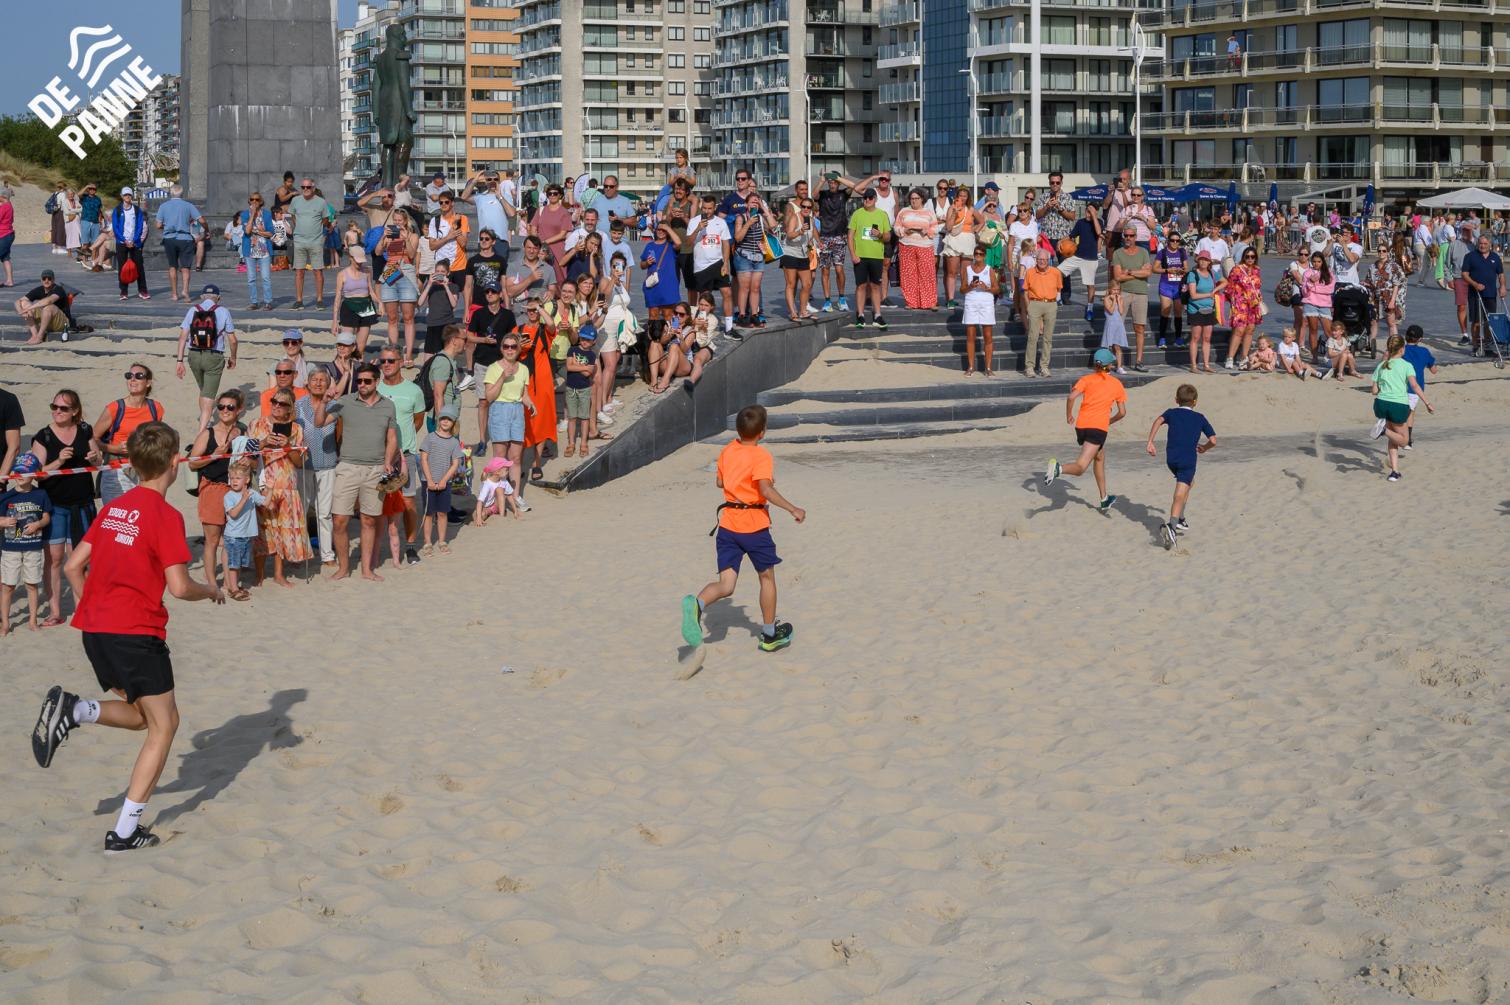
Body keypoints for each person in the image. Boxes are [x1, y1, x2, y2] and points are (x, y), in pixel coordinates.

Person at [31, 421, 225, 853]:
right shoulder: (166, 516)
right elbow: (179, 587)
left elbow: (73, 566)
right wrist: (210, 590)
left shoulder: (114, 508)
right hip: (134, 632)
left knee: (143, 717)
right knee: (166, 725)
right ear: (174, 462)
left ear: (133, 464)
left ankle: (76, 710)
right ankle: (124, 832)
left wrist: (94, 609)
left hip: (95, 631)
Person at [679, 404, 806, 654]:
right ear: (762, 431)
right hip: (754, 527)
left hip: (728, 526)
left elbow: (720, 482)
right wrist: (793, 509)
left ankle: (697, 604)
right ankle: (769, 635)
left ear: (738, 430)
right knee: (766, 577)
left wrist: (739, 481)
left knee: (726, 585)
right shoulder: (761, 456)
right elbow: (765, 490)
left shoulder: (727, 450)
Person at [313, 363, 400, 581]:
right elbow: (319, 423)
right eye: (359, 380)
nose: (362, 384)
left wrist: (388, 462)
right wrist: (324, 402)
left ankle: (366, 570)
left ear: (376, 381)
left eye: (367, 381)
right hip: (348, 468)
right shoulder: (345, 401)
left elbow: (391, 438)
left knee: (369, 520)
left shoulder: (388, 406)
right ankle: (343, 568)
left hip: (375, 469)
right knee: (339, 520)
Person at [27, 389, 97, 625]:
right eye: (54, 407)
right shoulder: (43, 436)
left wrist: (94, 458)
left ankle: (82, 609)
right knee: (54, 559)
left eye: (63, 408)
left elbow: (98, 460)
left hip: (82, 503)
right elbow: (37, 474)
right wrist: (59, 461)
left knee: (78, 559)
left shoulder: (85, 429)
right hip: (54, 505)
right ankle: (55, 612)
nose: (57, 411)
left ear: (74, 411)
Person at [1043, 348, 1126, 514]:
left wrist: (1069, 415)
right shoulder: (1116, 384)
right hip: (1098, 428)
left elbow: (1071, 397)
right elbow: (1122, 413)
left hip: (1082, 427)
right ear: (1110, 366)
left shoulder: (1086, 379)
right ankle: (1058, 468)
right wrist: (1109, 421)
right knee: (1080, 467)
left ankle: (1104, 498)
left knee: (1099, 457)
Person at [186, 389, 246, 592]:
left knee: (231, 539)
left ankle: (231, 584)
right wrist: (214, 455)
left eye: (230, 407)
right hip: (212, 488)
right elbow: (192, 463)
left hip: (235, 491)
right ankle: (212, 583)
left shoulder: (242, 432)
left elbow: (252, 459)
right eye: (221, 406)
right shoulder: (208, 433)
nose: (225, 410)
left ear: (239, 410)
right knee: (212, 540)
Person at [1145, 383, 1216, 550]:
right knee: (1179, 494)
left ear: (1176, 400)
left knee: (1190, 483)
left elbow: (1158, 420)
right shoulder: (1200, 418)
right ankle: (1172, 525)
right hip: (1187, 461)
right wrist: (1205, 448)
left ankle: (1181, 518)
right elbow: (1213, 440)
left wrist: (1150, 442)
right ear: (1195, 402)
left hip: (1171, 460)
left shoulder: (1171, 413)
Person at [375, 347, 426, 559]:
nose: (386, 364)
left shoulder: (414, 390)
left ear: (401, 362)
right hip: (378, 454)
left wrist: (401, 443)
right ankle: (378, 547)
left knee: (408, 502)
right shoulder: (374, 387)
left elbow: (418, 420)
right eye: (383, 361)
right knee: (377, 501)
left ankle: (410, 545)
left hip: (406, 454)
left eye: (391, 360)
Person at [91, 365, 166, 506]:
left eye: (139, 376)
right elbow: (93, 438)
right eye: (129, 376)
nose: (133, 379)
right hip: (117, 471)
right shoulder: (115, 408)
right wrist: (114, 449)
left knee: (141, 515)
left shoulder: (156, 408)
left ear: (148, 382)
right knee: (118, 514)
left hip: (145, 471)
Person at [0, 453, 52, 634]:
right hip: (10, 548)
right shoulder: (6, 496)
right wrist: (3, 522)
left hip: (33, 547)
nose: (20, 476)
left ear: (35, 474)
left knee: (31, 584)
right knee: (8, 586)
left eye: (25, 472)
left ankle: (32, 620)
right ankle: (5, 624)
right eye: (17, 472)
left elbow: (46, 517)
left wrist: (38, 524)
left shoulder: (40, 494)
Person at [174, 284, 237, 432]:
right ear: (218, 298)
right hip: (214, 357)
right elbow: (233, 340)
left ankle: (204, 417)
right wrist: (233, 358)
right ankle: (201, 433)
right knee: (208, 396)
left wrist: (179, 361)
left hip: (194, 355)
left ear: (202, 297)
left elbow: (182, 337)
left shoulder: (193, 310)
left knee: (204, 391)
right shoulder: (223, 311)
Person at [1370, 334, 1433, 482]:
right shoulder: (1406, 365)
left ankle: (1394, 471)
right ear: (1402, 349)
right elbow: (1415, 386)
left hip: (1380, 404)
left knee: (1393, 438)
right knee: (1404, 441)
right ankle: (1383, 430)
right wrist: (1427, 403)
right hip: (1397, 405)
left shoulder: (1381, 365)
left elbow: (1374, 390)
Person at [484, 332, 537, 500]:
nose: (509, 350)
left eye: (513, 346)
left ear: (518, 349)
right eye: (506, 346)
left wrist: (530, 404)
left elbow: (524, 394)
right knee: (499, 458)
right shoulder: (493, 368)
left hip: (517, 411)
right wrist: (502, 377)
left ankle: (515, 496)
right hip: (499, 410)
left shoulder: (524, 369)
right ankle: (496, 496)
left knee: (515, 458)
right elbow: (489, 397)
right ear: (501, 349)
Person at [418, 405, 465, 555]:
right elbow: (423, 459)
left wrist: (444, 480)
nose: (445, 421)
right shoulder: (430, 438)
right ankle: (427, 542)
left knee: (442, 513)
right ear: (438, 420)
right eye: (443, 418)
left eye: (449, 419)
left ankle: (442, 541)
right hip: (428, 482)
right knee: (429, 513)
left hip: (445, 483)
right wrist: (430, 480)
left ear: (454, 423)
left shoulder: (454, 442)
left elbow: (455, 464)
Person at [687, 194, 735, 334]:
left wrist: (725, 263)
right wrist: (698, 229)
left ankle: (729, 328)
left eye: (710, 208)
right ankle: (702, 327)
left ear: (715, 208)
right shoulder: (694, 221)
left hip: (718, 263)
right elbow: (688, 243)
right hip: (701, 266)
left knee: (727, 292)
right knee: (704, 298)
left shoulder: (721, 222)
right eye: (704, 208)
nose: (707, 211)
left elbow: (725, 243)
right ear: (701, 207)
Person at [1110, 226, 1153, 372]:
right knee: (1117, 326)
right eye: (1126, 235)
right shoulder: (1118, 253)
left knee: (1139, 327)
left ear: (1136, 237)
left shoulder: (1143, 252)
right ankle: (1117, 361)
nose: (1128, 238)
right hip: (1123, 293)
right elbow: (1117, 276)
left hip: (1141, 293)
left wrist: (1128, 271)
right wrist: (1138, 273)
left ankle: (1139, 361)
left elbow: (1148, 272)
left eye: (1131, 235)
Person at [731, 193, 778, 330]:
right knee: (744, 287)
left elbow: (773, 226)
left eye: (757, 203)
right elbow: (738, 238)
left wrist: (764, 209)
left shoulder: (761, 218)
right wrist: (748, 223)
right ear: (746, 204)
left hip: (758, 256)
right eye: (752, 202)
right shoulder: (741, 217)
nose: (754, 204)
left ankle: (754, 314)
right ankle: (742, 315)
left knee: (755, 287)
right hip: (743, 257)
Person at [220, 462, 265, 601]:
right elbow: (233, 514)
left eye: (238, 478)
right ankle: (233, 589)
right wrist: (244, 499)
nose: (234, 481)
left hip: (246, 536)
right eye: (232, 478)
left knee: (239, 564)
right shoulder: (229, 496)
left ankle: (234, 586)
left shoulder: (251, 493)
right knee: (234, 564)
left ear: (247, 479)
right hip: (233, 536)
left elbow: (265, 503)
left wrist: (270, 490)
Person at [816, 173, 861, 312]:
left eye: (834, 182)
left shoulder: (843, 194)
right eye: (830, 182)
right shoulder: (823, 194)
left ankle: (841, 298)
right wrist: (821, 181)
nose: (832, 184)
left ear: (838, 183)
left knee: (839, 269)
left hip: (840, 237)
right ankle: (827, 301)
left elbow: (854, 186)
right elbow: (813, 195)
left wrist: (837, 178)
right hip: (825, 236)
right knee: (825, 270)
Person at [847, 188, 892, 330]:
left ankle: (877, 315)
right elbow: (850, 236)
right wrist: (853, 254)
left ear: (875, 199)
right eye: (865, 197)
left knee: (875, 286)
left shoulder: (882, 215)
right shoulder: (857, 214)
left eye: (870, 198)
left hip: (876, 256)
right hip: (860, 256)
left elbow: (888, 237)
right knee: (861, 285)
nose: (867, 200)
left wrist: (879, 235)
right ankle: (860, 315)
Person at [153, 186, 205, 303]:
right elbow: (201, 220)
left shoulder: (163, 206)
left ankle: (174, 294)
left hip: (169, 238)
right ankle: (185, 291)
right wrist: (206, 228)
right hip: (185, 238)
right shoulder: (188, 205)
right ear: (182, 194)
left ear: (170, 193)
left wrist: (167, 226)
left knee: (172, 266)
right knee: (186, 268)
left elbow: (158, 225)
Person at [289, 178, 333, 309]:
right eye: (303, 187)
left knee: (318, 271)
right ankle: (299, 301)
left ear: (313, 188)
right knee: (299, 271)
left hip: (316, 240)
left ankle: (319, 300)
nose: (305, 189)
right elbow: (293, 215)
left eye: (308, 187)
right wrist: (300, 227)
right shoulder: (295, 200)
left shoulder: (321, 202)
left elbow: (326, 219)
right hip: (299, 240)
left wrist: (317, 227)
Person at [1022, 247, 1064, 379]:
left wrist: (1056, 302)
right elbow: (1025, 291)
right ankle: (1029, 367)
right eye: (1039, 259)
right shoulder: (1030, 272)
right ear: (1036, 259)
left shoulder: (1055, 272)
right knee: (1033, 336)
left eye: (1044, 259)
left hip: (1050, 304)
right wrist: (1028, 307)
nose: (1042, 261)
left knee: (1048, 338)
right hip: (1035, 303)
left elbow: (1059, 288)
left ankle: (1044, 366)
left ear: (1048, 260)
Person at [1461, 233, 1506, 356]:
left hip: (1490, 294)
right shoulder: (1470, 256)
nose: (1482, 246)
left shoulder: (1495, 257)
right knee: (1476, 321)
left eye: (1485, 243)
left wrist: (1502, 286)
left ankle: (1488, 347)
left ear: (1490, 244)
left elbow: (1501, 274)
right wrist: (1475, 284)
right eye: (1480, 243)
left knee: (1489, 322)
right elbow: (1464, 274)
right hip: (1475, 294)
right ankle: (1476, 346)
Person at [894, 188, 938, 311]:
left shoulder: (929, 212)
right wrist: (904, 230)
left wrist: (927, 231)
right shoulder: (903, 211)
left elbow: (935, 228)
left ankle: (929, 302)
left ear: (922, 199)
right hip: (906, 245)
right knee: (908, 275)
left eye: (917, 198)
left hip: (925, 246)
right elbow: (896, 227)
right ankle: (911, 302)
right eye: (912, 198)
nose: (914, 201)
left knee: (927, 274)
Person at [1057, 204, 1102, 322]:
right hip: (1077, 256)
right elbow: (1071, 236)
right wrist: (1061, 241)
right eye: (1087, 210)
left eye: (1091, 211)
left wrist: (1093, 216)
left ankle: (1090, 309)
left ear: (1096, 212)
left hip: (1091, 259)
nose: (1088, 213)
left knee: (1090, 285)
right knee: (1057, 272)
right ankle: (1057, 298)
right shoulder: (1081, 222)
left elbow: (1098, 232)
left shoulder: (1099, 222)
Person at [1184, 251, 1226, 374]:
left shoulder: (1212, 273)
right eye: (1201, 259)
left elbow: (1225, 282)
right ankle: (1193, 365)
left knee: (1207, 338)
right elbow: (1193, 295)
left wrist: (1215, 289)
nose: (1203, 262)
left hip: (1209, 309)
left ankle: (1206, 365)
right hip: (1195, 309)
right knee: (1195, 337)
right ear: (1198, 260)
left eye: (1206, 260)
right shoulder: (1193, 274)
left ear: (1209, 262)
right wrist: (1209, 294)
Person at [961, 244, 999, 377]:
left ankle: (988, 368)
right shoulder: (967, 269)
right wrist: (971, 286)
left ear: (984, 256)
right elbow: (962, 290)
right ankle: (971, 367)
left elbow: (997, 289)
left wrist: (986, 288)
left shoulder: (989, 269)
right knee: (970, 336)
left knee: (988, 336)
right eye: (976, 254)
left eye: (980, 254)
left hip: (986, 303)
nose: (978, 256)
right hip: (971, 302)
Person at [1399, 325, 1438, 448]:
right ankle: (1408, 440)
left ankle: (1404, 438)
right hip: (1415, 388)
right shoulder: (1424, 351)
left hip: (1400, 386)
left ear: (1406, 336)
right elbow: (1434, 370)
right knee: (1410, 413)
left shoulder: (1401, 350)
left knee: (1402, 413)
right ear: (1420, 339)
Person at [1224, 247, 1262, 369]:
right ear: (1243, 257)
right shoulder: (1237, 269)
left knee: (1250, 330)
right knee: (1239, 330)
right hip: (1240, 304)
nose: (1250, 259)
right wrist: (1234, 301)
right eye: (1247, 256)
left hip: (1253, 304)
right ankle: (1230, 357)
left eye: (1252, 256)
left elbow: (1257, 287)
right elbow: (1229, 287)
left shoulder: (1256, 270)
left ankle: (1243, 357)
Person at [782, 195, 819, 318]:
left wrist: (816, 247)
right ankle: (793, 312)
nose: (806, 209)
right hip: (790, 253)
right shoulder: (795, 217)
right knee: (791, 284)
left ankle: (803, 311)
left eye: (808, 207)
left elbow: (810, 238)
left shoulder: (811, 220)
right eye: (803, 206)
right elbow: (789, 235)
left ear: (811, 209)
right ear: (800, 207)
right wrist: (800, 231)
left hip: (803, 254)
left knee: (807, 284)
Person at [15, 269, 72, 346]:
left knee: (49, 307)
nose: (46, 281)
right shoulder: (39, 289)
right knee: (24, 303)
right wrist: (21, 311)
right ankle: (34, 335)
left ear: (53, 280)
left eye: (49, 278)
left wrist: (28, 309)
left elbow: (48, 301)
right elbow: (18, 301)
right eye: (44, 278)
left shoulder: (58, 289)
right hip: (46, 320)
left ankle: (40, 337)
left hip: (62, 323)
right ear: (41, 280)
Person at [563, 326, 597, 455]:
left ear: (593, 341)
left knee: (584, 417)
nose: (584, 342)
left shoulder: (592, 355)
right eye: (583, 339)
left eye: (588, 340)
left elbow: (588, 374)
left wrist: (576, 365)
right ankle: (571, 443)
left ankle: (583, 443)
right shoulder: (572, 349)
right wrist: (584, 367)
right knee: (572, 417)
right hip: (571, 388)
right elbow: (569, 367)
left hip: (584, 389)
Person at [111, 187, 149, 301]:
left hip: (135, 242)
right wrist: (124, 240)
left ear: (132, 196)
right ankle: (123, 291)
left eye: (129, 195)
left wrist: (134, 240)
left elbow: (140, 226)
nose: (127, 197)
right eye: (125, 195)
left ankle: (143, 291)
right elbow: (115, 227)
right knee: (122, 267)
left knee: (139, 266)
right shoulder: (117, 210)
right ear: (122, 196)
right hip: (122, 242)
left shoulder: (137, 210)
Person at [1365, 243, 1406, 348]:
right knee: (1373, 321)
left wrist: (1393, 301)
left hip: (1388, 296)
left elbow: (1397, 284)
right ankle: (1371, 344)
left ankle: (1395, 346)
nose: (1381, 253)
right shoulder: (1372, 266)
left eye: (1384, 251)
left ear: (1388, 252)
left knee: (1391, 322)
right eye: (1379, 251)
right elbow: (1369, 280)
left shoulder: (1393, 266)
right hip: (1375, 297)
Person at [1300, 252, 1334, 359]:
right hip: (1310, 303)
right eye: (1314, 261)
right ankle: (1314, 356)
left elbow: (1330, 289)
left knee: (1328, 331)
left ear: (1323, 262)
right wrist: (1310, 282)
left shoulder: (1329, 273)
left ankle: (1333, 355)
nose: (1316, 264)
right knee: (1313, 330)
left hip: (1325, 304)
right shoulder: (1307, 273)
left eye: (1319, 261)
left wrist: (1314, 288)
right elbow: (1305, 292)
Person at [474, 456, 519, 524]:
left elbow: (509, 496)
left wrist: (515, 511)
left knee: (500, 489)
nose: (508, 472)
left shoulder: (503, 481)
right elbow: (480, 501)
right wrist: (479, 518)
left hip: (495, 506)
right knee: (481, 516)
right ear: (497, 472)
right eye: (506, 470)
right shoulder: (487, 484)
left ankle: (501, 516)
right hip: (485, 507)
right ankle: (488, 512)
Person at [1100, 281, 1129, 375]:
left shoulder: (1120, 298)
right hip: (1110, 325)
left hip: (1118, 324)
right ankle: (1106, 367)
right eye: (1114, 289)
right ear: (1110, 289)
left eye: (1118, 290)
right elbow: (1111, 311)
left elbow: (1121, 311)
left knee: (1117, 346)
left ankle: (1119, 367)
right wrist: (1114, 301)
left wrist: (1119, 301)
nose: (1116, 291)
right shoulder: (1106, 299)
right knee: (1107, 347)